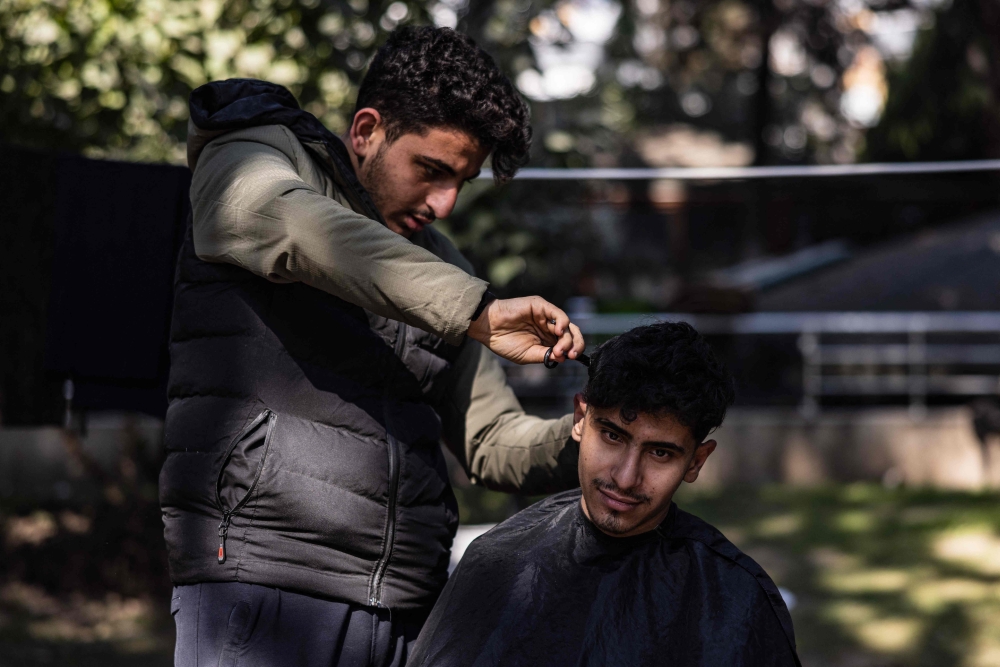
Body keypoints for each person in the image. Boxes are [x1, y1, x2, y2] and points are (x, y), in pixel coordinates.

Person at [160, 27, 586, 667]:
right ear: (366, 131)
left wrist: (590, 435)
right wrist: (473, 308)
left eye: (460, 184)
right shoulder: (252, 155)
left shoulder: (445, 270)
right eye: (431, 170)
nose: (443, 203)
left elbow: (493, 440)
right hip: (264, 578)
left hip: (412, 608)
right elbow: (286, 223)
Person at [409, 322, 801, 667]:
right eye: (613, 436)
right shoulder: (496, 562)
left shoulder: (733, 599)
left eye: (660, 452)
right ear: (580, 419)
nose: (626, 478)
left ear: (697, 461)